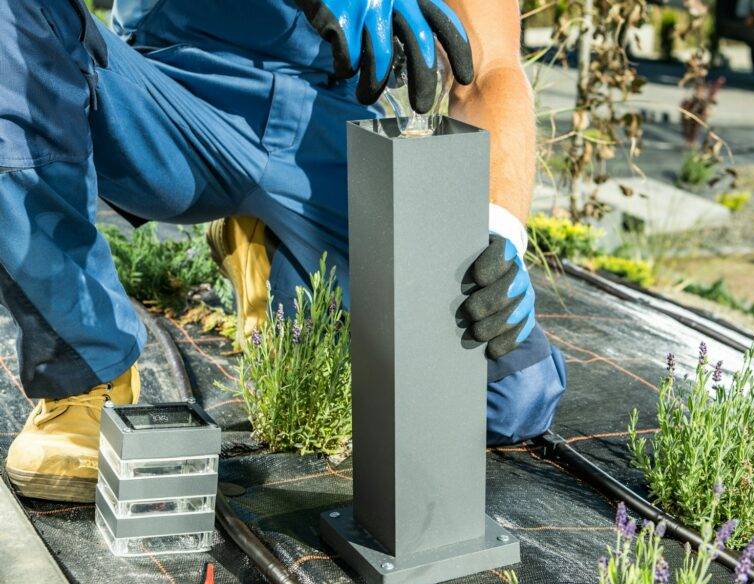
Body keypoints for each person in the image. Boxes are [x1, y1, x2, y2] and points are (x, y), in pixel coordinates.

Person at [0, 0, 566, 503]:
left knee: (506, 392)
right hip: (165, 99)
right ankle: (85, 375)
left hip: (322, 126)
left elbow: (490, 69)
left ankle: (266, 237)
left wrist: (496, 232)